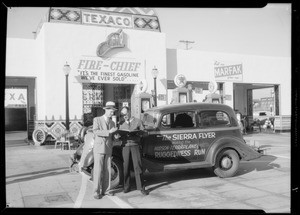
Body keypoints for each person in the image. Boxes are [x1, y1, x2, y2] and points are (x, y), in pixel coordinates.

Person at [119, 106, 149, 195]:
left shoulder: (138, 121)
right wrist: (117, 135)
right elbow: (118, 135)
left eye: (125, 114)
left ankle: (141, 187)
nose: (124, 116)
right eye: (122, 114)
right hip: (125, 146)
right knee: (126, 166)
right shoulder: (121, 123)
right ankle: (126, 187)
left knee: (137, 166)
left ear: (129, 112)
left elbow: (144, 133)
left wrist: (140, 133)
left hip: (135, 145)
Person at [92, 101, 118, 199]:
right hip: (99, 148)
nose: (113, 113)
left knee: (108, 170)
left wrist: (116, 136)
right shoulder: (97, 119)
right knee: (98, 171)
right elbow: (95, 131)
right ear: (106, 110)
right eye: (111, 111)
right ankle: (96, 192)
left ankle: (106, 190)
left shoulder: (112, 122)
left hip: (108, 148)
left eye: (113, 111)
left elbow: (112, 136)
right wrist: (109, 131)